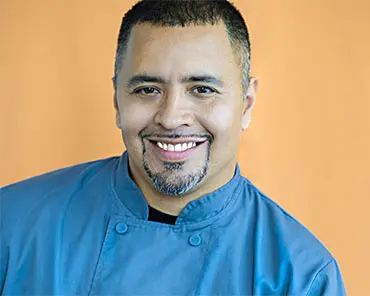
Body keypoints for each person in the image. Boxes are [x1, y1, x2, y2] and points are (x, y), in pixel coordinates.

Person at [0, 0, 346, 295]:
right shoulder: (12, 224)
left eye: (202, 89)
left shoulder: (302, 277)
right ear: (118, 102)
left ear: (247, 103)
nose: (170, 117)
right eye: (148, 89)